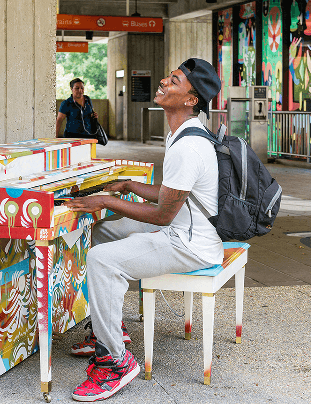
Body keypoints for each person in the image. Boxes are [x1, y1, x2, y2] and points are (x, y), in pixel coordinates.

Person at [63, 58, 224, 402]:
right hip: (183, 228)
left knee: (102, 260)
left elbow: (163, 216)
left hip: (188, 242)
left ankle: (115, 363)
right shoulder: (180, 133)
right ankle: (111, 328)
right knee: (105, 232)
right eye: (169, 76)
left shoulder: (188, 146)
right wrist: (131, 185)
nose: (165, 81)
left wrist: (106, 201)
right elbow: (173, 194)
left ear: (190, 100)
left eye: (175, 81)